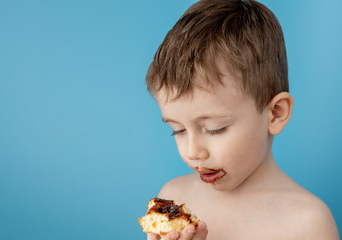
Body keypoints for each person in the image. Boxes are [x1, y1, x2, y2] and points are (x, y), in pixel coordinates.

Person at [144, 0, 340, 239]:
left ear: (276, 113)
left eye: (215, 129)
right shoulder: (173, 199)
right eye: (178, 130)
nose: (193, 152)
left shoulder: (308, 223)